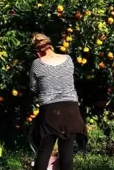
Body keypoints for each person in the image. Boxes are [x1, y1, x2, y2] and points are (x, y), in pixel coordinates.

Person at [28, 33, 87, 170]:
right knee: (66, 153)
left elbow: (33, 87)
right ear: (51, 45)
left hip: (50, 112)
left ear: (38, 50)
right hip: (71, 110)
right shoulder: (68, 59)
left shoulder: (37, 64)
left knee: (44, 151)